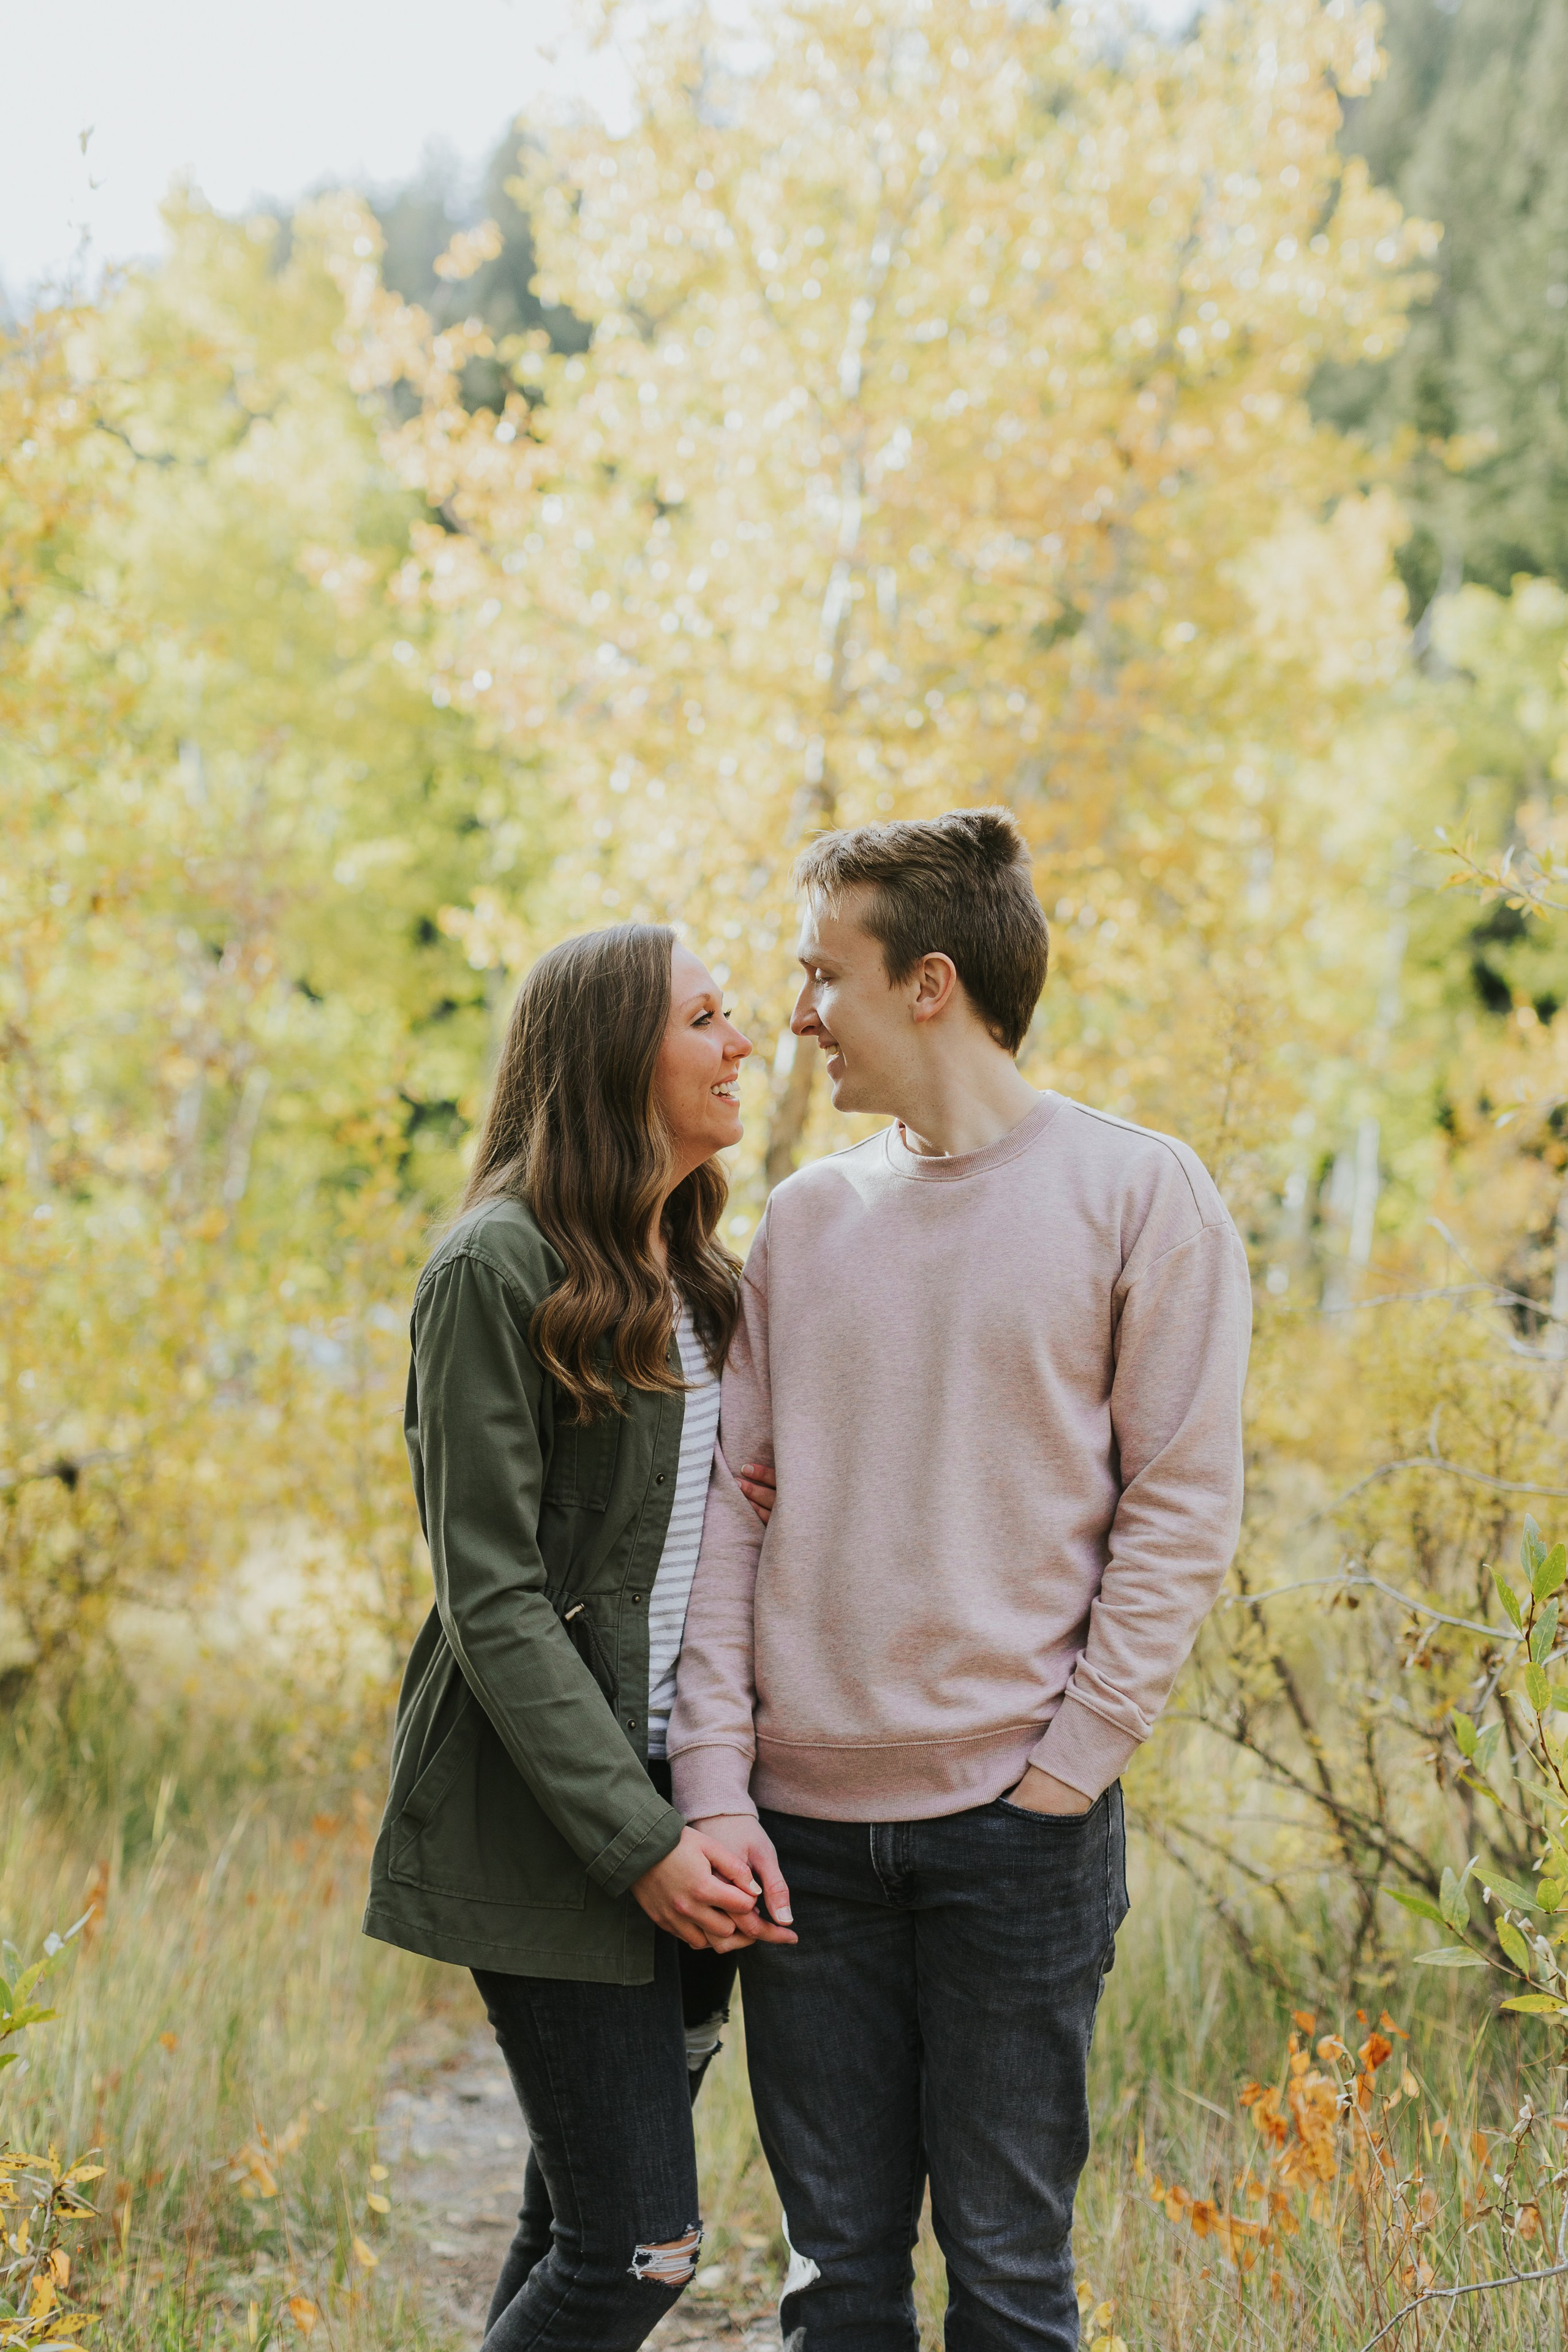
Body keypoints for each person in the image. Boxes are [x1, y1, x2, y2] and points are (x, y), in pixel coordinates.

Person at [668, 808, 1252, 2352]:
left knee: (1007, 2281)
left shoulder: (1140, 1196)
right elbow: (737, 1512)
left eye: (822, 975)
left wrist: (1068, 1770)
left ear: (929, 983)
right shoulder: (807, 1218)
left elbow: (1181, 1506)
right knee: (833, 2285)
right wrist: (717, 1785)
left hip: (1018, 1833)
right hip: (800, 1846)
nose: (795, 1017)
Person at [363, 923, 792, 2352]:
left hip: (696, 1806)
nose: (745, 1042)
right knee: (638, 2254)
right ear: (615, 1055)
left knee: (578, 2224)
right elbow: (489, 1600)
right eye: (706, 1018)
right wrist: (641, 1844)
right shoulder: (491, 1269)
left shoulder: (701, 1278)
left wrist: (712, 1807)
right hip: (561, 1819)